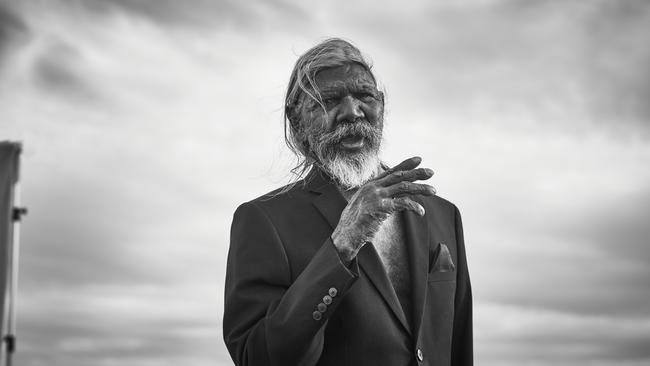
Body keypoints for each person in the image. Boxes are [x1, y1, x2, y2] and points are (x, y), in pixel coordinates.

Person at [223, 38, 472, 366]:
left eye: (365, 96)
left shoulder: (443, 215)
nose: (352, 112)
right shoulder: (263, 220)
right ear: (297, 120)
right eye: (329, 100)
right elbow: (258, 358)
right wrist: (342, 245)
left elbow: (458, 346)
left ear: (381, 105)